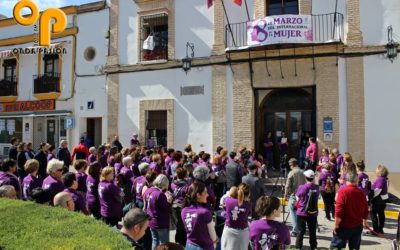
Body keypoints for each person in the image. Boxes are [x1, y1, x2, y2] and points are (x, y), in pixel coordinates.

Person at [330, 171, 369, 250]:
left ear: (346, 180)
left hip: (344, 225)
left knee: (335, 247)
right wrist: (365, 221)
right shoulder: (361, 192)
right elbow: (365, 208)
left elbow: (339, 210)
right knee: (354, 247)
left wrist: (336, 224)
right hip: (357, 226)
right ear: (357, 180)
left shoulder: (343, 191)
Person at [181, 182, 217, 250]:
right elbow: (213, 237)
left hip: (189, 245)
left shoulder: (183, 210)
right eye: (205, 192)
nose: (207, 195)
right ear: (198, 195)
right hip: (204, 246)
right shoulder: (204, 212)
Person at [143, 174, 172, 250]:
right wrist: (169, 201)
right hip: (160, 223)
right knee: (164, 244)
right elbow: (166, 208)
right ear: (164, 184)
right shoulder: (160, 194)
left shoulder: (148, 190)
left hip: (151, 221)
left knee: (155, 240)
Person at [221, 183, 252, 250]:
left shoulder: (228, 200)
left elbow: (224, 207)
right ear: (248, 194)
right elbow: (248, 213)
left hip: (228, 230)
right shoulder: (248, 204)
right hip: (242, 232)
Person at [295, 169, 319, 250]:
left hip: (302, 212)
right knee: (312, 231)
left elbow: (297, 198)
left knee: (300, 231)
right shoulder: (317, 187)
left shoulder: (302, 187)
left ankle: (298, 247)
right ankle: (313, 247)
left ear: (306, 178)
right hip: (313, 212)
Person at [284, 158, 306, 236]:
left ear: (291, 165)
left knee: (293, 212)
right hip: (303, 196)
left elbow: (287, 186)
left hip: (293, 196)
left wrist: (285, 195)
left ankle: (295, 230)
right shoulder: (303, 172)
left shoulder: (291, 172)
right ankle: (301, 228)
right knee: (300, 213)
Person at [171, 167, 190, 246]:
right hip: (183, 206)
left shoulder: (173, 184)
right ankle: (182, 243)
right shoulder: (187, 186)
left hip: (174, 206)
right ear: (185, 175)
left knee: (178, 226)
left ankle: (178, 242)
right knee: (183, 226)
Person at [370, 165, 389, 234]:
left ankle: (375, 230)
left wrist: (371, 197)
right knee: (381, 213)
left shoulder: (380, 179)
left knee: (373, 213)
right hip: (384, 199)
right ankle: (380, 228)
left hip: (378, 199)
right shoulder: (386, 179)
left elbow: (378, 190)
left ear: (379, 171)